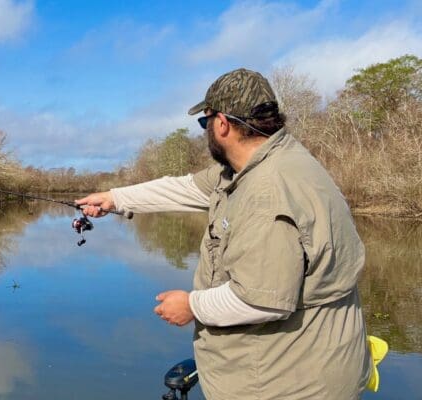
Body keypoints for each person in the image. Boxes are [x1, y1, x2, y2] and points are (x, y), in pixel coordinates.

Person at [76, 68, 372, 399]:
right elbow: (188, 188)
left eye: (205, 123)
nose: (205, 133)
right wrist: (115, 198)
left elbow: (261, 300)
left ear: (222, 124)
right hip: (316, 366)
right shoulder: (271, 162)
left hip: (285, 383)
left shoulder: (266, 194)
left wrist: (192, 305)